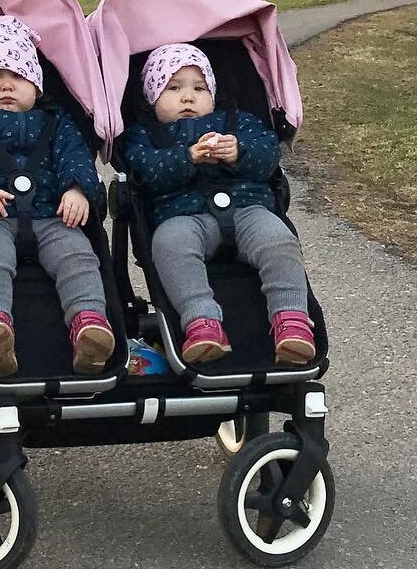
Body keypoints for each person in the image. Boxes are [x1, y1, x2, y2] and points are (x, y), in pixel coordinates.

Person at [0, 15, 114, 376]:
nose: (6, 85)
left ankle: (90, 322)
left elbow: (76, 156)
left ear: (36, 84)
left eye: (18, 76)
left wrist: (77, 188)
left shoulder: (56, 119)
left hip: (52, 215)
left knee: (78, 256)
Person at [124, 43, 315, 365]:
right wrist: (185, 158)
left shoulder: (239, 122)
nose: (188, 97)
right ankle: (201, 322)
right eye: (173, 88)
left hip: (248, 210)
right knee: (170, 247)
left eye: (199, 88)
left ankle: (292, 319)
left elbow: (269, 156)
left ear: (213, 94)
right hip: (182, 216)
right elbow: (145, 171)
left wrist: (240, 152)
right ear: (151, 97)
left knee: (280, 242)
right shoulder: (145, 135)